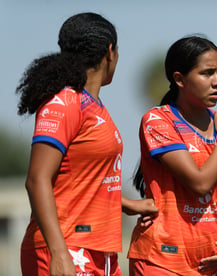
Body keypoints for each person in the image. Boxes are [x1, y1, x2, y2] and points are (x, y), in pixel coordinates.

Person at [16, 12, 157, 276]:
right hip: (66, 248)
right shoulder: (64, 103)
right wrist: (59, 253)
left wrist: (128, 205)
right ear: (110, 52)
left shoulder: (95, 107)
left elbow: (81, 183)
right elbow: (36, 180)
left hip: (100, 251)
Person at [127, 35, 217, 275]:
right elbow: (200, 183)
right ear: (179, 79)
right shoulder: (159, 121)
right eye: (207, 73)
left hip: (208, 262)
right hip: (160, 259)